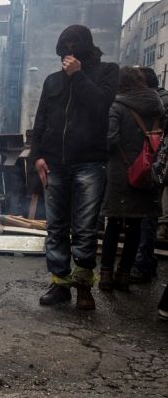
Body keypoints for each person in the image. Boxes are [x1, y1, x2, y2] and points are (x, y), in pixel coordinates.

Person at [31, 25, 119, 310]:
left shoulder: (107, 72)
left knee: (84, 228)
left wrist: (78, 75)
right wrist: (37, 155)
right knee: (56, 227)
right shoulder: (52, 81)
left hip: (90, 163)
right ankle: (59, 284)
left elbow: (100, 105)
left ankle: (83, 286)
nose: (68, 52)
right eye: (64, 48)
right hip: (54, 162)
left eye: (74, 46)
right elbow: (41, 118)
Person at [98, 66, 164, 292]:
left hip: (121, 173)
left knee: (114, 225)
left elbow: (110, 139)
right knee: (135, 226)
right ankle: (124, 275)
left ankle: (106, 275)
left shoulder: (117, 106)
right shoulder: (158, 106)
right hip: (148, 173)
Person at [129, 67, 168, 284]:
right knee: (148, 214)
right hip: (154, 164)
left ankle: (142, 263)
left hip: (151, 165)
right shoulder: (159, 99)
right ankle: (146, 261)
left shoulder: (156, 102)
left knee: (146, 215)